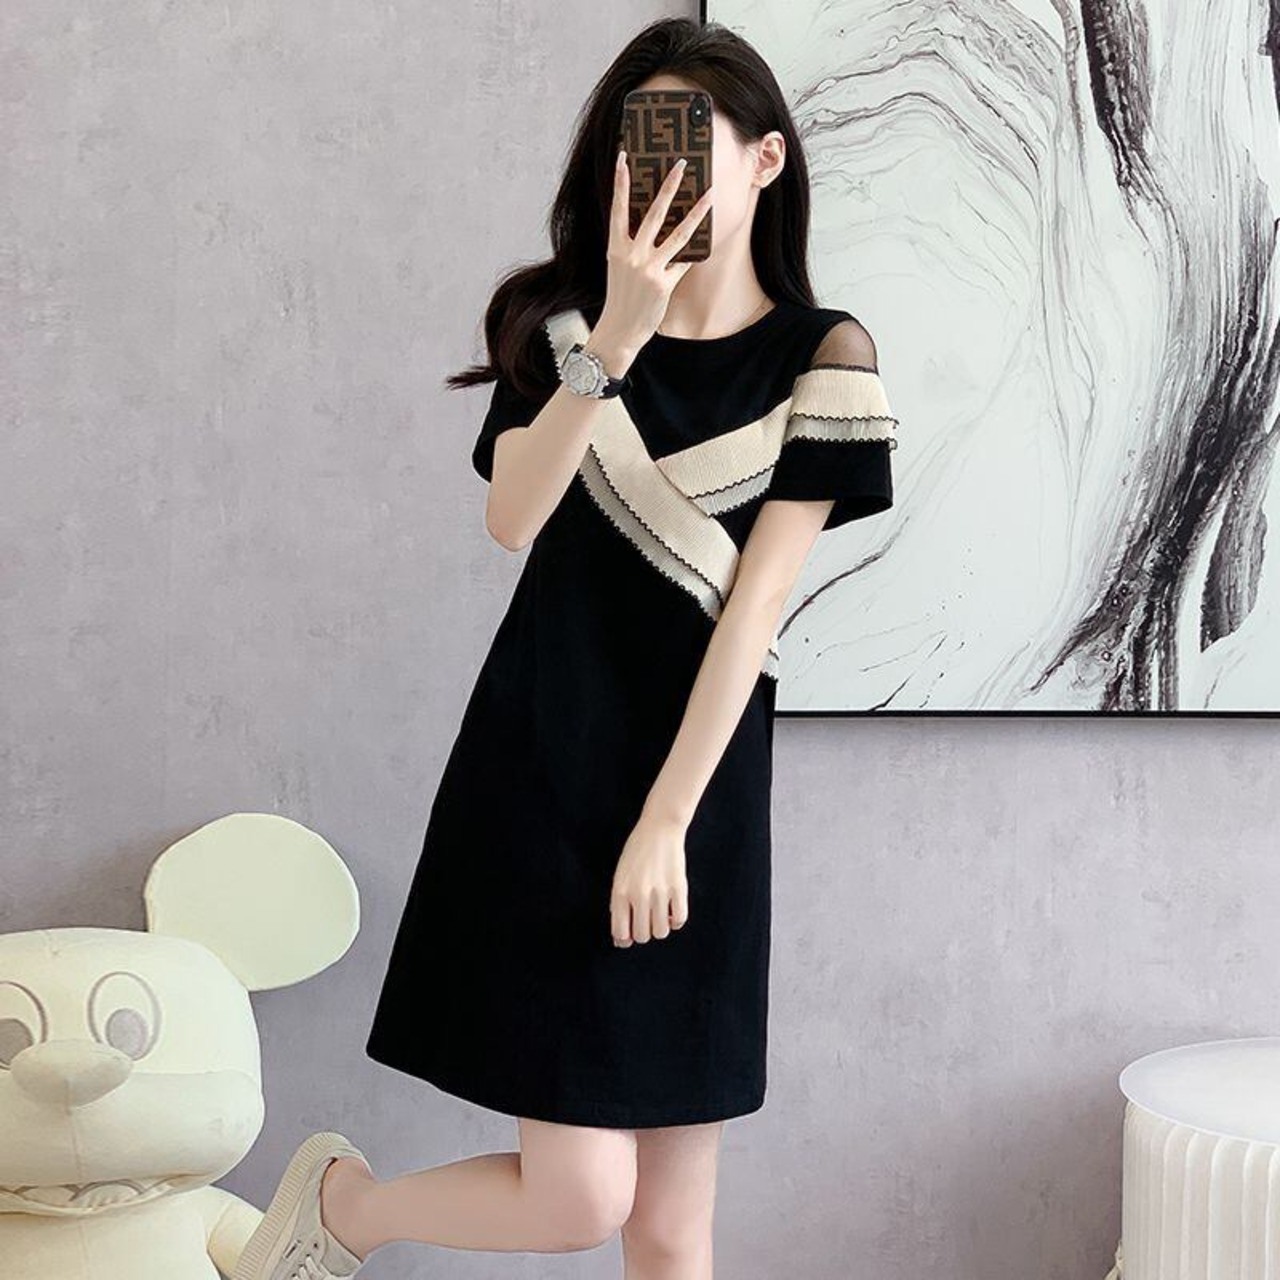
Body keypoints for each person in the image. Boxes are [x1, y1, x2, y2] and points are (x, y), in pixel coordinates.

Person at [232, 16, 898, 1280]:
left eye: (692, 147)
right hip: (541, 777)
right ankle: (348, 1206)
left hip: (693, 808)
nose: (660, 179)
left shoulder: (823, 360)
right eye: (640, 152)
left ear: (765, 160)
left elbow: (753, 615)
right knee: (582, 1194)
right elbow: (511, 517)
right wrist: (620, 338)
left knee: (671, 1226)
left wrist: (668, 819)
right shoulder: (567, 334)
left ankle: (340, 1209)